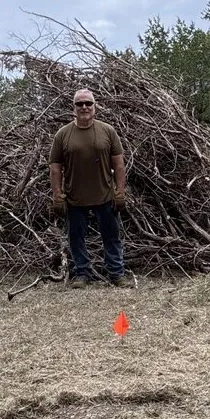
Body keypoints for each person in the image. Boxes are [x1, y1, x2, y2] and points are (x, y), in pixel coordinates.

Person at [49, 89, 130, 288]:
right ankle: (82, 274)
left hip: (105, 196)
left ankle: (117, 274)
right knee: (76, 239)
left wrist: (120, 192)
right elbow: (55, 167)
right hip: (75, 198)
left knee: (111, 237)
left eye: (88, 103)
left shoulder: (108, 131)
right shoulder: (63, 134)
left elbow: (119, 164)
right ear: (74, 108)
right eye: (79, 104)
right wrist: (58, 195)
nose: (84, 107)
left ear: (95, 107)